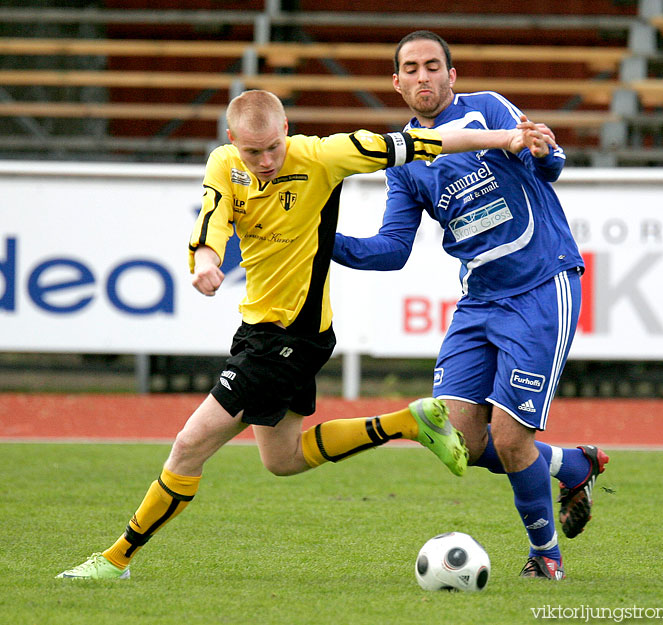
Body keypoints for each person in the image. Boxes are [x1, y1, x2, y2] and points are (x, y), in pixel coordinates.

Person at [55, 88, 545, 580]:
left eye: (273, 147)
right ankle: (407, 423)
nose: (266, 160)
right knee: (283, 459)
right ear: (232, 141)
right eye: (253, 151)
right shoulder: (224, 164)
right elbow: (213, 216)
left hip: (287, 337)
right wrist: (205, 258)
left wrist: (507, 137)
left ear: (285, 129)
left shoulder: (323, 156)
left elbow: (421, 143)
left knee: (188, 445)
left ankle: (115, 559)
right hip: (259, 331)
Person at [332, 31, 609, 580]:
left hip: (541, 284)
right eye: (410, 68)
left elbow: (547, 163)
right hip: (480, 298)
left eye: (433, 66)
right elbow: (391, 251)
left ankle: (546, 555)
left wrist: (544, 151)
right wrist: (323, 241)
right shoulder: (402, 159)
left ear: (451, 76)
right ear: (396, 83)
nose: (422, 77)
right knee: (460, 437)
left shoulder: (486, 110)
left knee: (509, 438)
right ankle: (572, 464)